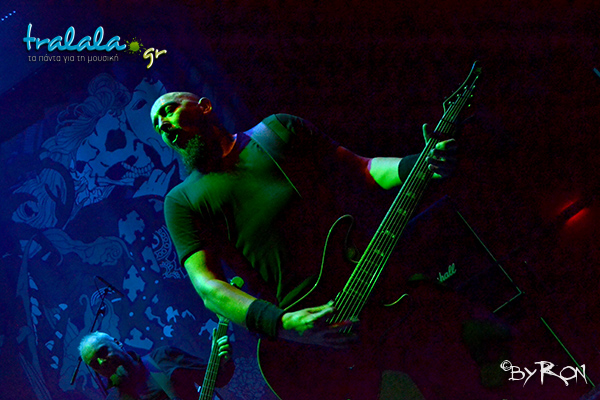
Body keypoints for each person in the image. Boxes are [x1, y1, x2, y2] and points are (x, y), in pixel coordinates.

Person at [149, 92, 457, 347]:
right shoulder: (181, 201)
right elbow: (208, 286)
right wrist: (282, 324)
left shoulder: (277, 130)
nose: (163, 124)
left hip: (378, 283)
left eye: (169, 110)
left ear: (204, 107)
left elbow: (363, 169)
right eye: (157, 126)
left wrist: (420, 164)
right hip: (313, 332)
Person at [79, 331, 234, 400]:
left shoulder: (163, 357)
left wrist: (223, 359)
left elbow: (218, 378)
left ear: (117, 343)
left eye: (102, 352)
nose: (102, 362)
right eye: (94, 364)